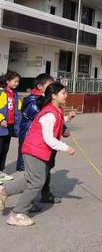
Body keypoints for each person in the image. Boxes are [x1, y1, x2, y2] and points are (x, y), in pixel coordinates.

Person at [0, 82, 76, 226]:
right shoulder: (49, 113)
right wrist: (66, 148)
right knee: (37, 182)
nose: (66, 95)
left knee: (31, 180)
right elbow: (48, 138)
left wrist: (68, 118)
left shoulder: (56, 110)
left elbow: (57, 122)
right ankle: (17, 214)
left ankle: (4, 191)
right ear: (54, 96)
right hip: (34, 150)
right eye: (63, 93)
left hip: (38, 150)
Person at [0, 71, 22, 183]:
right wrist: (1, 119)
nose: (17, 83)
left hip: (10, 125)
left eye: (18, 81)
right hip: (1, 125)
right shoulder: (1, 92)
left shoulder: (15, 93)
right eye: (15, 81)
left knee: (5, 149)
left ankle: (1, 171)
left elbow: (18, 109)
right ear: (8, 81)